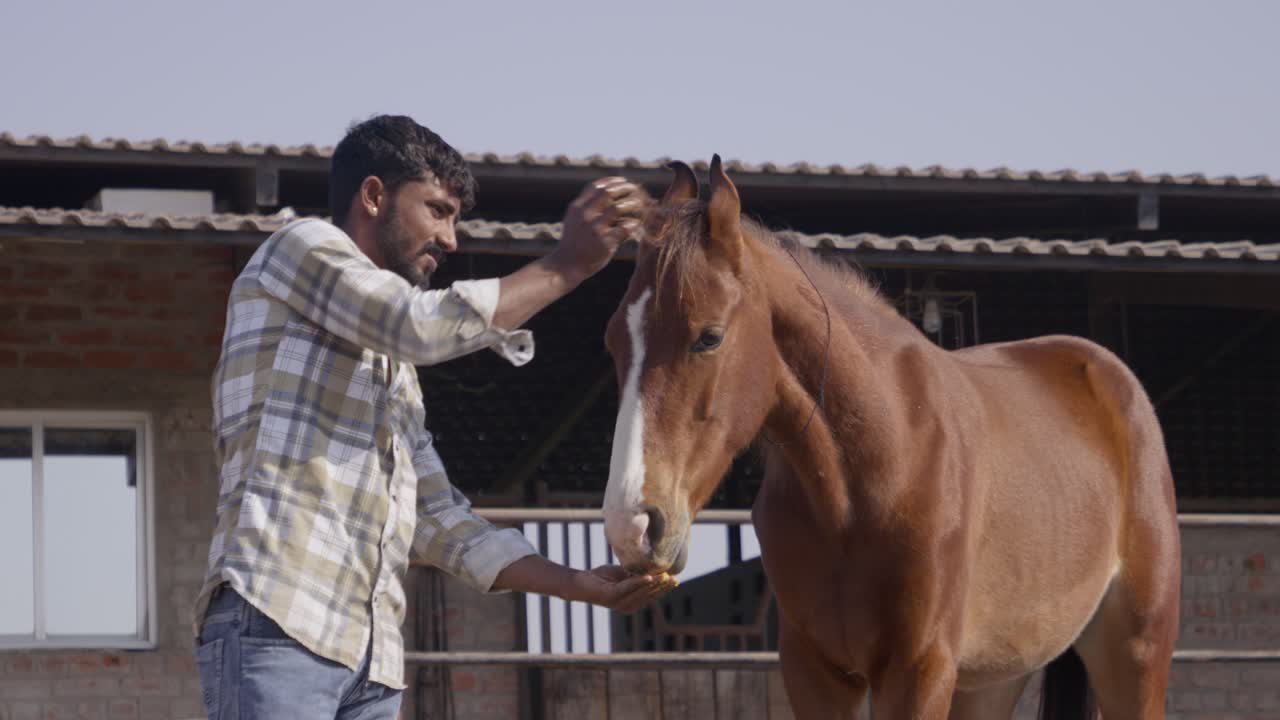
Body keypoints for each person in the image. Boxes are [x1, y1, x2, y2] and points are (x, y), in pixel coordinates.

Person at [192, 115, 673, 719]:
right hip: (278, 622)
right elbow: (417, 325)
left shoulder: (394, 371)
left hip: (372, 661)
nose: (450, 239)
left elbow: (438, 518)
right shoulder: (299, 248)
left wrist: (575, 584)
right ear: (373, 195)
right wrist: (566, 265)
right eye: (438, 210)